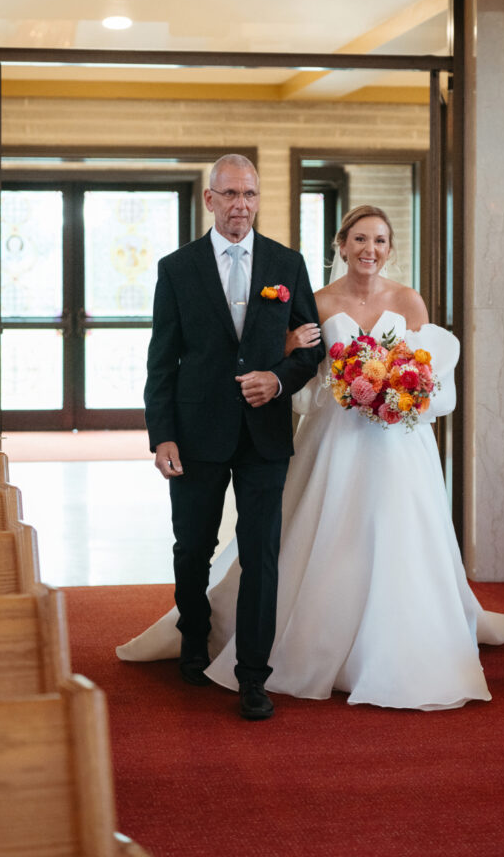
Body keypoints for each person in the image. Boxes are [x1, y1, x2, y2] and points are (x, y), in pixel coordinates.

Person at [119, 204, 504, 711]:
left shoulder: (408, 301)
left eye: (380, 241)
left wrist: (398, 393)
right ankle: (241, 643)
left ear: (390, 248)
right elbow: (302, 362)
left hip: (397, 445)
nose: (370, 250)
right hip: (332, 437)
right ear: (341, 245)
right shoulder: (317, 299)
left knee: (393, 542)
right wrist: (296, 352)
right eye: (360, 239)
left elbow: (430, 377)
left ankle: (386, 647)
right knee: (295, 539)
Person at [136, 153, 324, 720]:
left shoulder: (287, 264)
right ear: (210, 199)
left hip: (264, 434)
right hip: (195, 432)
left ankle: (252, 675)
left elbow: (310, 345)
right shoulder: (177, 268)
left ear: (258, 200)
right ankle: (193, 640)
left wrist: (279, 378)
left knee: (262, 553)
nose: (241, 205)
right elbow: (161, 360)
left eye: (250, 194)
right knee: (192, 547)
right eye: (231, 194)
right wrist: (161, 436)